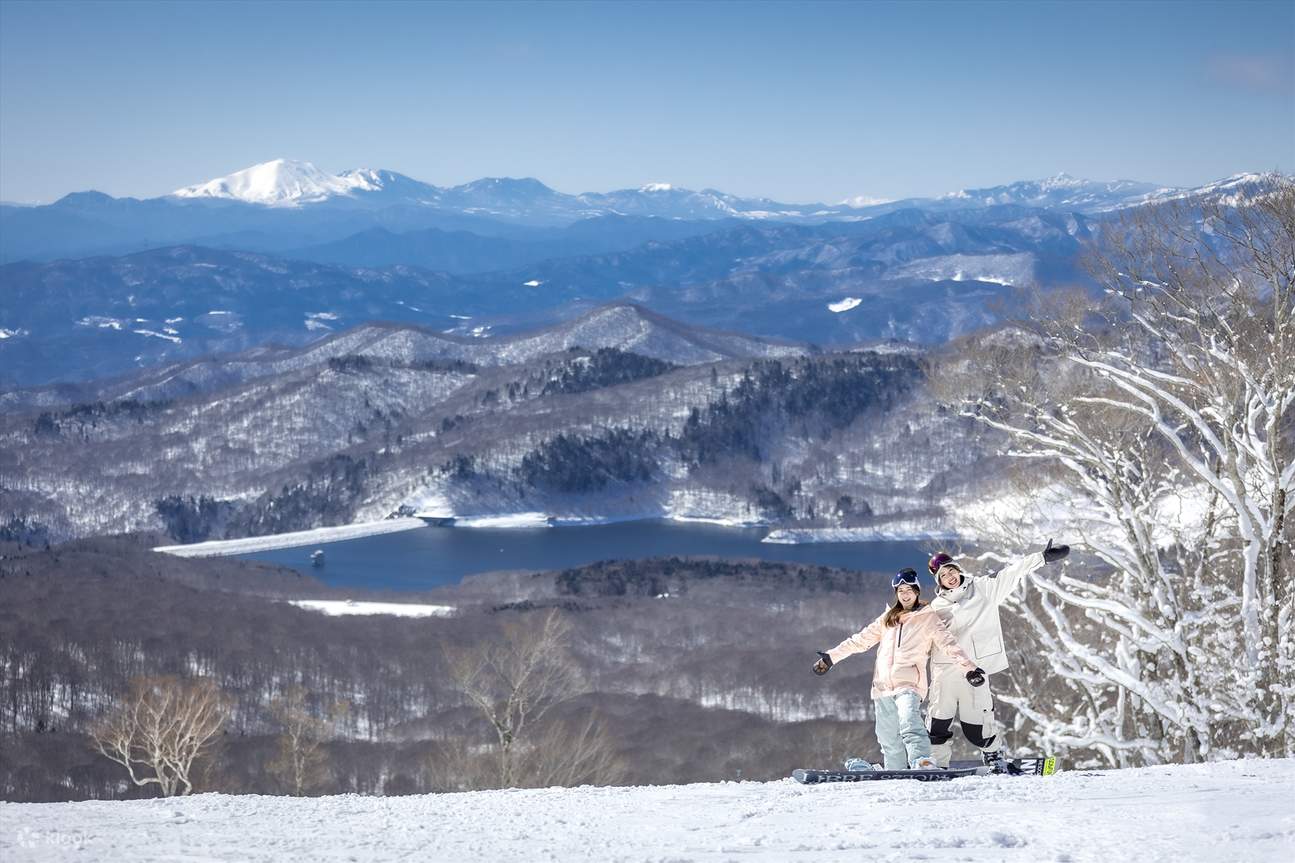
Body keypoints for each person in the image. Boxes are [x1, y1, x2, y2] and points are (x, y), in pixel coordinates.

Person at [812, 568, 984, 770]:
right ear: (896, 593)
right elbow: (860, 641)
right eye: (900, 590)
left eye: (909, 589)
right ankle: (896, 770)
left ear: (917, 591)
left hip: (909, 684)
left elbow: (949, 645)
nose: (905, 594)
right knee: (887, 735)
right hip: (883, 687)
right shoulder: (887, 619)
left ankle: (922, 761)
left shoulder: (927, 618)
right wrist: (831, 657)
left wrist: (970, 669)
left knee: (910, 722)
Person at [924, 540, 1070, 772]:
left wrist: (1042, 557)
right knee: (938, 721)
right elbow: (917, 638)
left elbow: (1013, 571)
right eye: (943, 575)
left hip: (975, 671)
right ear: (939, 582)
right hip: (945, 672)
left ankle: (993, 756)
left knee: (978, 728)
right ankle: (937, 764)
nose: (950, 576)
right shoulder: (935, 607)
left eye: (952, 570)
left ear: (959, 570)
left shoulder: (984, 588)